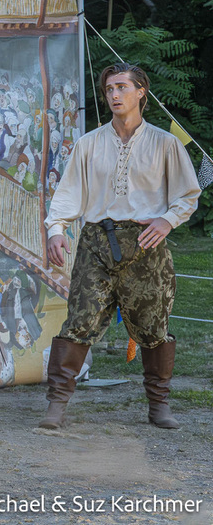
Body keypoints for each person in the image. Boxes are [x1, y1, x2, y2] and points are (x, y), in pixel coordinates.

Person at [40, 63, 199, 430]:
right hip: (97, 242)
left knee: (153, 326)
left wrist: (167, 220)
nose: (114, 95)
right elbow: (68, 193)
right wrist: (56, 230)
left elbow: (187, 194)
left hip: (146, 244)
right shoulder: (89, 143)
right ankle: (56, 405)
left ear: (141, 92)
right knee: (79, 321)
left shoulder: (165, 143)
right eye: (109, 89)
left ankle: (159, 405)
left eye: (122, 87)